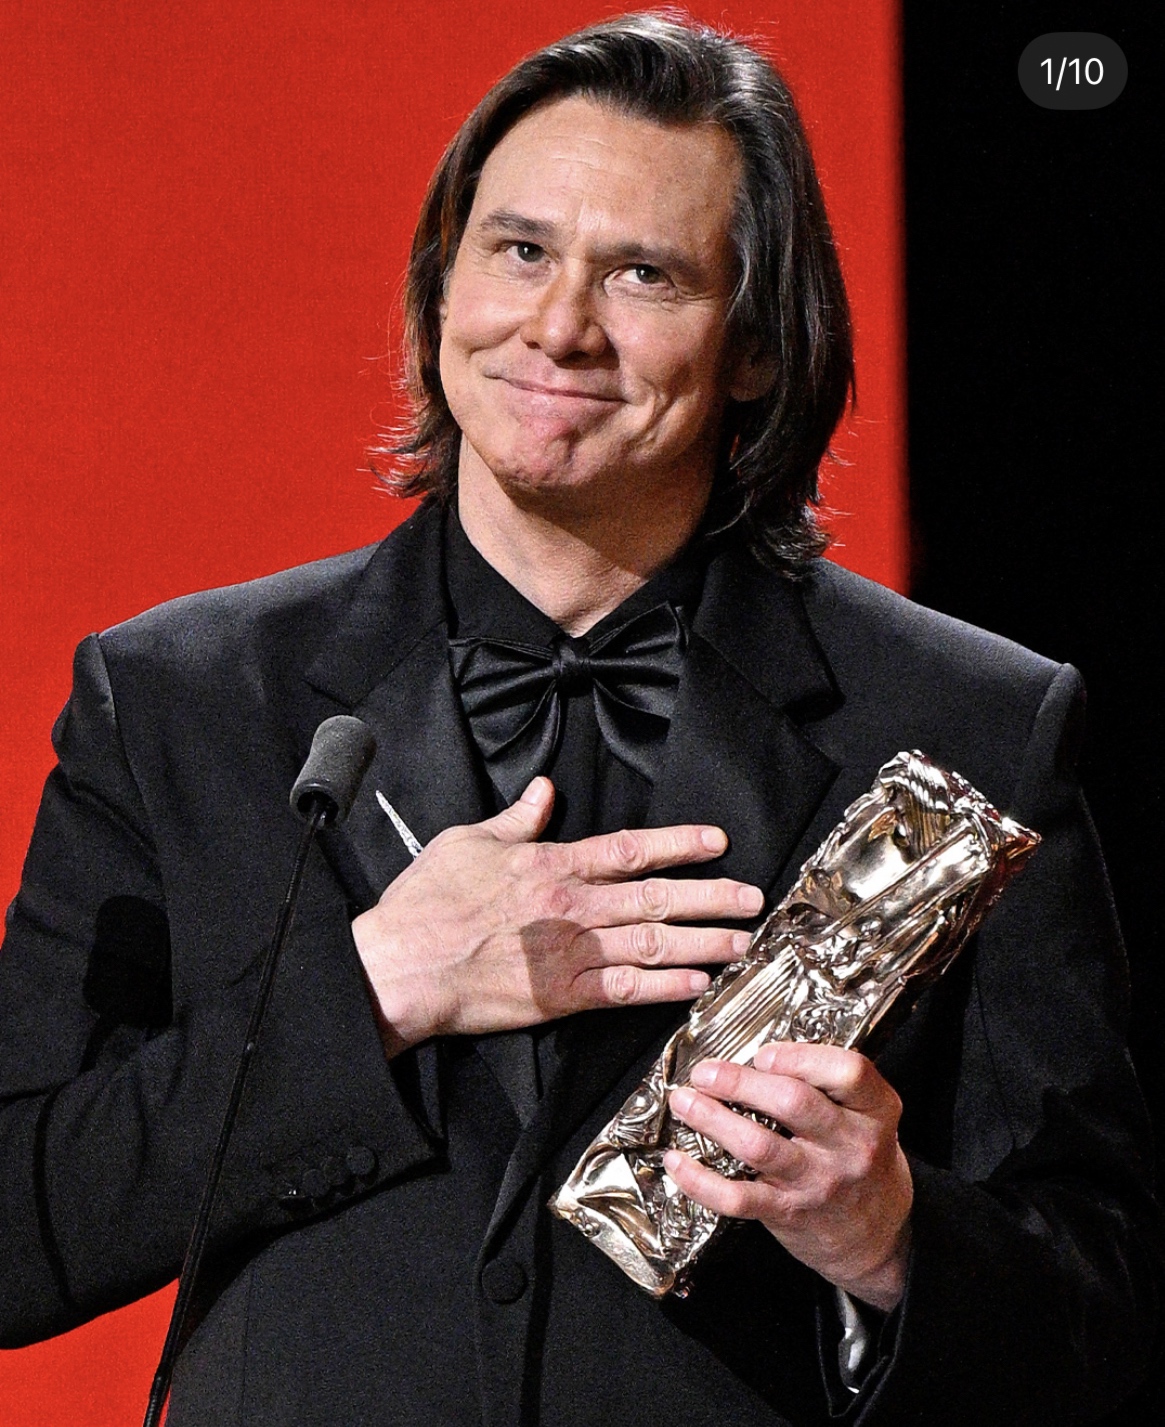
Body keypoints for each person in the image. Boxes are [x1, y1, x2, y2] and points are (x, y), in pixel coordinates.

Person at [0, 13, 1159, 1426]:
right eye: (519, 251)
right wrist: (374, 992)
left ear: (754, 345)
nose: (559, 326)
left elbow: (1100, 1315)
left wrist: (888, 1237)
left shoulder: (968, 720)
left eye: (643, 274)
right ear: (441, 284)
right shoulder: (181, 700)